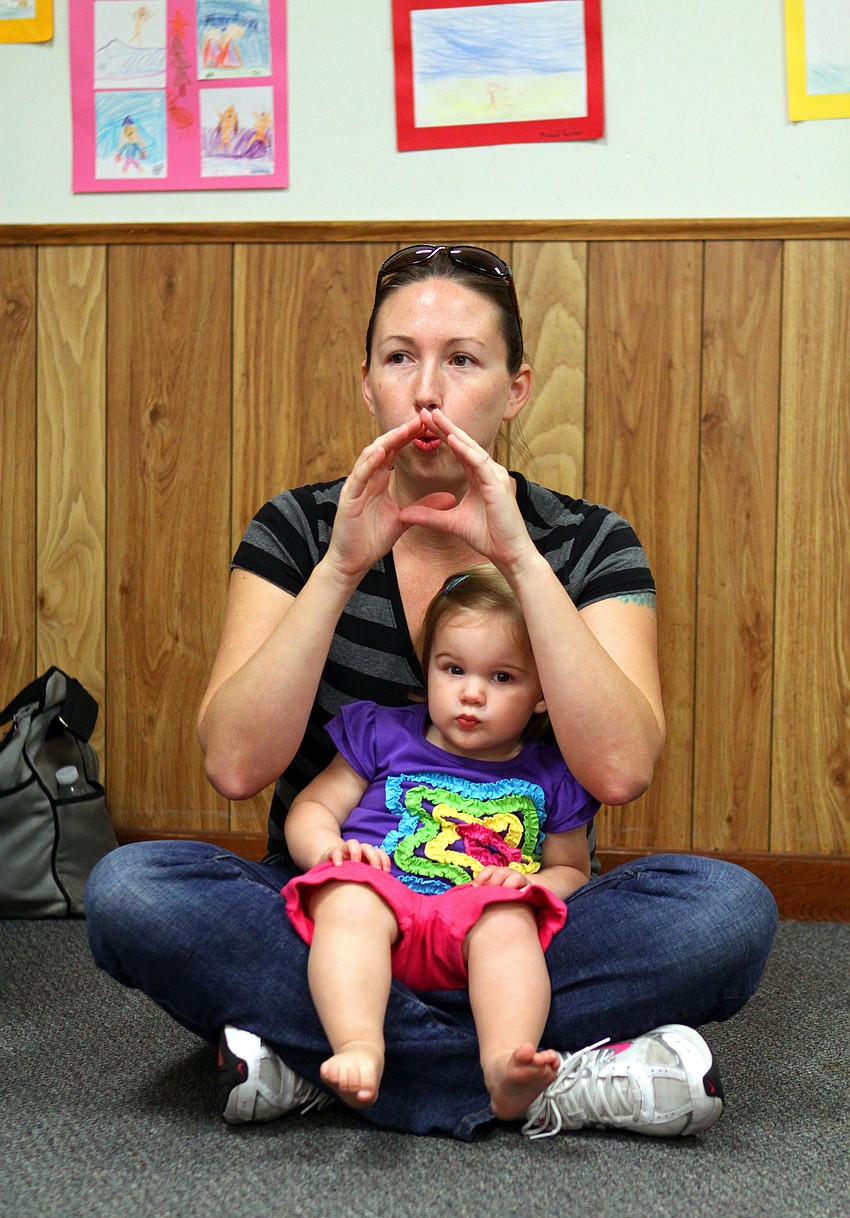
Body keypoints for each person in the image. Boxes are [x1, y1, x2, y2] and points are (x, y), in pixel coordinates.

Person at [86, 243, 778, 1140]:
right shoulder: (297, 528)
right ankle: (532, 1076)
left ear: (515, 387)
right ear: (367, 381)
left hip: (516, 918)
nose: (427, 390)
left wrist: (519, 559)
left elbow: (619, 770)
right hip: (342, 907)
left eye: (462, 360)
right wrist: (340, 567)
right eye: (400, 357)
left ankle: (331, 1059)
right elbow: (233, 764)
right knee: (132, 890)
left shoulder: (589, 541)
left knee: (728, 911)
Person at [282, 565, 598, 1123]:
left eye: (502, 678)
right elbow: (311, 809)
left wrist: (531, 883)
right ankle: (360, 1044)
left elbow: (572, 870)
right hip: (379, 902)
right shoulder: (382, 732)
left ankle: (505, 1064)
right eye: (452, 669)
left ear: (545, 693)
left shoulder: (552, 772)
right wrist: (330, 852)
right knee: (348, 900)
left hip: (474, 925)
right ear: (427, 668)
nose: (471, 693)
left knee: (509, 921)